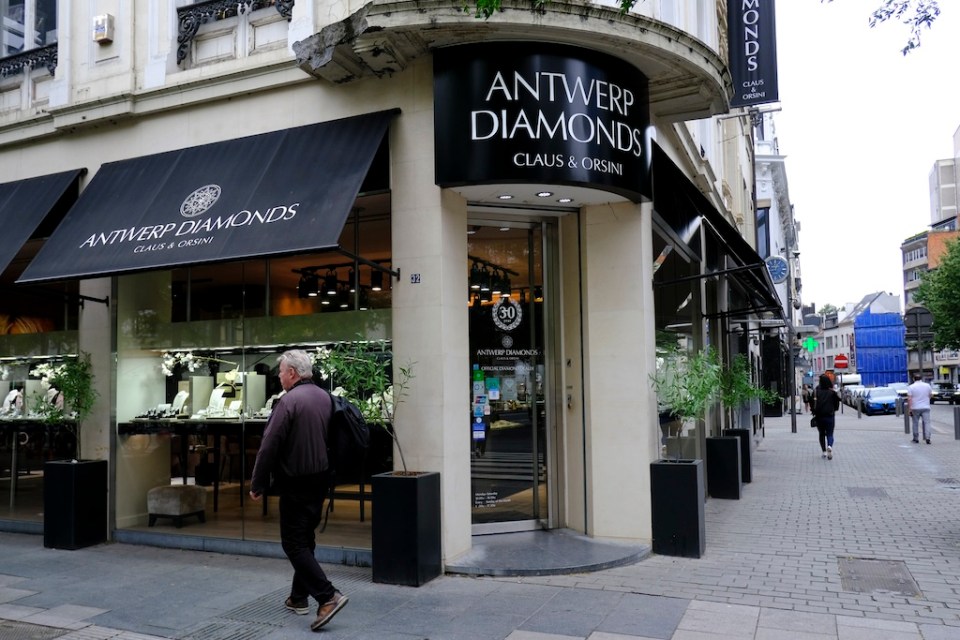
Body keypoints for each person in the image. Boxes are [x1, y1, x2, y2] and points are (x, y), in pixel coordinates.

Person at [249, 349, 349, 632]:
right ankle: (298, 597)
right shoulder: (323, 397)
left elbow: (269, 445)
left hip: (296, 482)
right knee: (305, 539)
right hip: (320, 480)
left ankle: (328, 596)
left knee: (293, 543)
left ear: (292, 373)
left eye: (280, 371)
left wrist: (257, 483)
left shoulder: (288, 402)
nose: (279, 376)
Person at [813, 374, 840, 460]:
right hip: (830, 415)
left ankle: (824, 451)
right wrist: (834, 409)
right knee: (830, 433)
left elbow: (811, 401)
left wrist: (813, 411)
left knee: (821, 434)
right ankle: (829, 446)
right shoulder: (832, 392)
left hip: (819, 416)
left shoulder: (816, 391)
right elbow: (837, 402)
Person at [907, 373, 933, 444]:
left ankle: (916, 438)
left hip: (915, 407)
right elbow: (931, 395)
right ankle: (928, 438)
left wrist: (909, 409)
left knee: (915, 423)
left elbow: (909, 398)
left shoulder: (911, 387)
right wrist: (926, 399)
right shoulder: (927, 385)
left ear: (913, 379)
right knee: (927, 423)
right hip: (926, 407)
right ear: (921, 378)